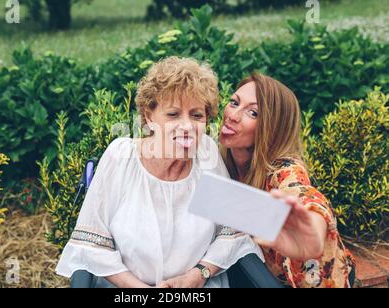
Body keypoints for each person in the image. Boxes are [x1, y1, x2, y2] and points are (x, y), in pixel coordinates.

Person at [56, 57, 263, 288]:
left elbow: (230, 232)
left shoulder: (206, 154)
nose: (186, 127)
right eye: (173, 114)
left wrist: (198, 274)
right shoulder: (122, 157)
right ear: (149, 117)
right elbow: (92, 246)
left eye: (196, 115)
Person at [219, 73, 355, 288]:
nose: (233, 115)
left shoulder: (283, 169)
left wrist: (313, 230)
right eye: (234, 103)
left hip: (314, 274)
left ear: (272, 128)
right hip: (263, 270)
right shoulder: (218, 161)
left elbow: (302, 194)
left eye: (252, 113)